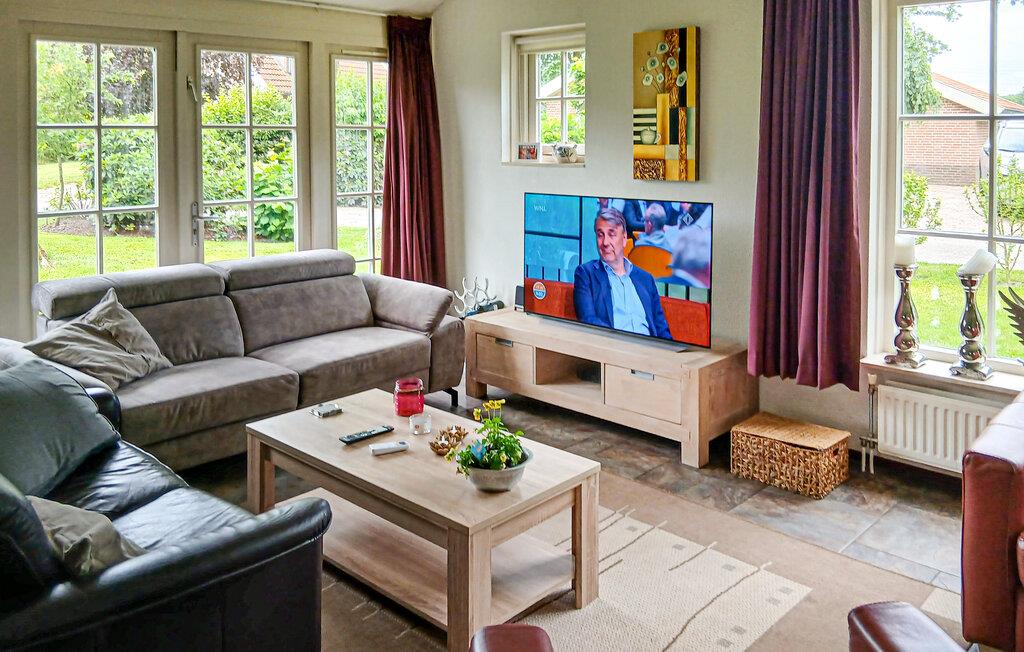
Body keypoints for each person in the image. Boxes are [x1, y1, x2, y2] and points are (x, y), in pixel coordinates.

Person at [573, 208, 673, 340]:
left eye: (612, 234)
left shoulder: (646, 279)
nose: (605, 242)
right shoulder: (586, 274)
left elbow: (662, 329)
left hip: (649, 347)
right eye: (600, 235)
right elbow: (588, 320)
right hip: (613, 346)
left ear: (624, 238)